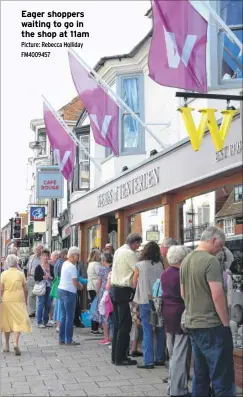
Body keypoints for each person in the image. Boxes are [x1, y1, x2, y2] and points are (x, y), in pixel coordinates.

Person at [180, 226, 235, 397]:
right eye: (221, 244)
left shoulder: (186, 260)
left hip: (193, 323)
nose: (221, 249)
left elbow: (183, 293)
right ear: (213, 240)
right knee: (222, 376)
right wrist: (226, 323)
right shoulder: (210, 261)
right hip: (212, 325)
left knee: (200, 375)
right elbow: (217, 295)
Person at [161, 245, 190, 397]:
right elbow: (185, 295)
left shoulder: (165, 274)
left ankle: (172, 387)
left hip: (167, 314)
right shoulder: (182, 274)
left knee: (173, 353)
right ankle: (178, 390)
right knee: (180, 354)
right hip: (180, 315)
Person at [111, 232, 142, 366]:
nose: (138, 247)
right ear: (134, 242)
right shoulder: (130, 253)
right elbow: (137, 270)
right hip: (123, 290)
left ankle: (115, 355)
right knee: (125, 325)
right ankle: (121, 357)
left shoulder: (118, 250)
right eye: (138, 244)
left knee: (118, 324)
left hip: (114, 289)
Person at [133, 241, 165, 369]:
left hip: (145, 299)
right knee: (159, 329)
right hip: (158, 299)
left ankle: (148, 361)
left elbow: (134, 282)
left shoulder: (139, 265)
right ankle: (160, 358)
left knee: (147, 329)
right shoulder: (160, 265)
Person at [0, 254, 32, 355]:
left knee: (7, 321)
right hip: (19, 299)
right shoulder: (20, 274)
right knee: (19, 320)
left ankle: (6, 345)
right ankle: (15, 342)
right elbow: (26, 289)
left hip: (7, 299)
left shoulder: (3, 274)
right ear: (16, 263)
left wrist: (1, 298)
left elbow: (1, 288)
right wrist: (26, 300)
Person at [58, 246, 83, 346]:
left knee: (63, 316)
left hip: (61, 290)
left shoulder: (65, 263)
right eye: (77, 255)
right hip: (69, 292)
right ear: (72, 255)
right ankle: (69, 339)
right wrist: (80, 286)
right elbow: (75, 282)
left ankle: (61, 339)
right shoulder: (72, 266)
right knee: (70, 317)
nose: (78, 258)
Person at [93, 252, 113, 345]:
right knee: (111, 315)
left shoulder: (103, 269)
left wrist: (97, 292)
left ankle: (106, 337)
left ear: (104, 260)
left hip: (103, 294)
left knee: (104, 315)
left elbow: (99, 282)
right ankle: (112, 336)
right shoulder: (113, 268)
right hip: (112, 293)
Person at [34, 248, 54, 328]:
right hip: (42, 287)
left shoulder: (51, 267)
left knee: (48, 304)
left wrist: (51, 277)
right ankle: (39, 322)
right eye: (44, 256)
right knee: (41, 304)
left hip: (49, 287)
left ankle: (45, 321)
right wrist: (43, 277)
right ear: (41, 257)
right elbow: (36, 277)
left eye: (47, 255)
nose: (45, 257)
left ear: (49, 256)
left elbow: (54, 276)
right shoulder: (38, 267)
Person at [87, 249, 103, 335]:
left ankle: (94, 327)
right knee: (96, 307)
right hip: (96, 286)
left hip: (90, 286)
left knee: (93, 307)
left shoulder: (90, 264)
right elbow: (100, 274)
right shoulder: (96, 264)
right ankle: (95, 328)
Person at [53, 249, 68, 332]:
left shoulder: (58, 262)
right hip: (61, 286)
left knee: (58, 306)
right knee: (60, 307)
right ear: (64, 255)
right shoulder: (62, 264)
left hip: (58, 286)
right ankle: (59, 325)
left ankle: (58, 324)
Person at [26, 244, 43, 317]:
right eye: (36, 249)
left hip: (39, 278)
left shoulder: (43, 258)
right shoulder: (31, 257)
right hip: (31, 277)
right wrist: (28, 275)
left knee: (39, 294)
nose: (37, 251)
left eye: (38, 249)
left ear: (41, 250)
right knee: (31, 295)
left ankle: (40, 311)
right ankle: (32, 311)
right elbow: (27, 267)